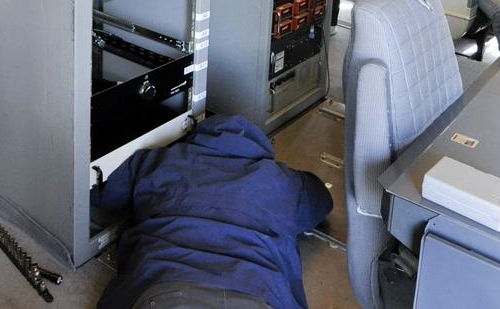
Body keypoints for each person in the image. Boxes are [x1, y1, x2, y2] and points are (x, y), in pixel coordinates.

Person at [92, 114, 332, 309]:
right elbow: (322, 201)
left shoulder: (161, 159)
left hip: (162, 287)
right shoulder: (282, 181)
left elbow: (104, 194)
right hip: (260, 293)